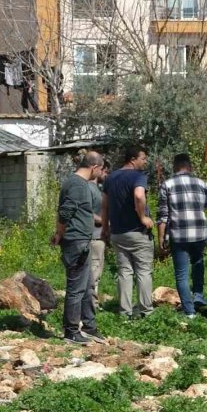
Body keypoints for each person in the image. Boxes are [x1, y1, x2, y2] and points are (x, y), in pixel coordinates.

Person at [157, 154, 207, 318]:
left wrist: (161, 239)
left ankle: (189, 311)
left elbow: (163, 215)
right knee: (198, 264)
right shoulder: (202, 184)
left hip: (179, 235)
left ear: (175, 166)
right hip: (199, 233)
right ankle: (198, 296)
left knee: (181, 273)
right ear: (190, 166)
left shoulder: (167, 185)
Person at [52, 151, 107, 345]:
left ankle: (90, 327)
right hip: (76, 242)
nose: (99, 174)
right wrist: (59, 233)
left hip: (83, 240)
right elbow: (66, 211)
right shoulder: (76, 184)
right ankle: (71, 330)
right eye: (100, 170)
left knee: (87, 286)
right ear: (95, 167)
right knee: (76, 288)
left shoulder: (80, 184)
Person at [102, 146, 155, 319]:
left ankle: (124, 312)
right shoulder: (138, 176)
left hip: (118, 233)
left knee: (124, 272)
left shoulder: (110, 178)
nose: (145, 161)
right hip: (137, 232)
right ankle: (146, 311)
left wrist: (105, 228)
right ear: (133, 159)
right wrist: (143, 218)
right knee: (143, 271)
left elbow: (104, 204)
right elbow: (139, 196)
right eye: (143, 158)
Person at [88, 159, 111, 309]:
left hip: (100, 236)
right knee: (93, 273)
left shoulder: (99, 188)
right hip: (94, 236)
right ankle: (91, 305)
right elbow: (87, 212)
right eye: (106, 171)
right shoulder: (89, 188)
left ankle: (93, 303)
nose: (107, 175)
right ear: (99, 170)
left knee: (97, 273)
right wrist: (104, 221)